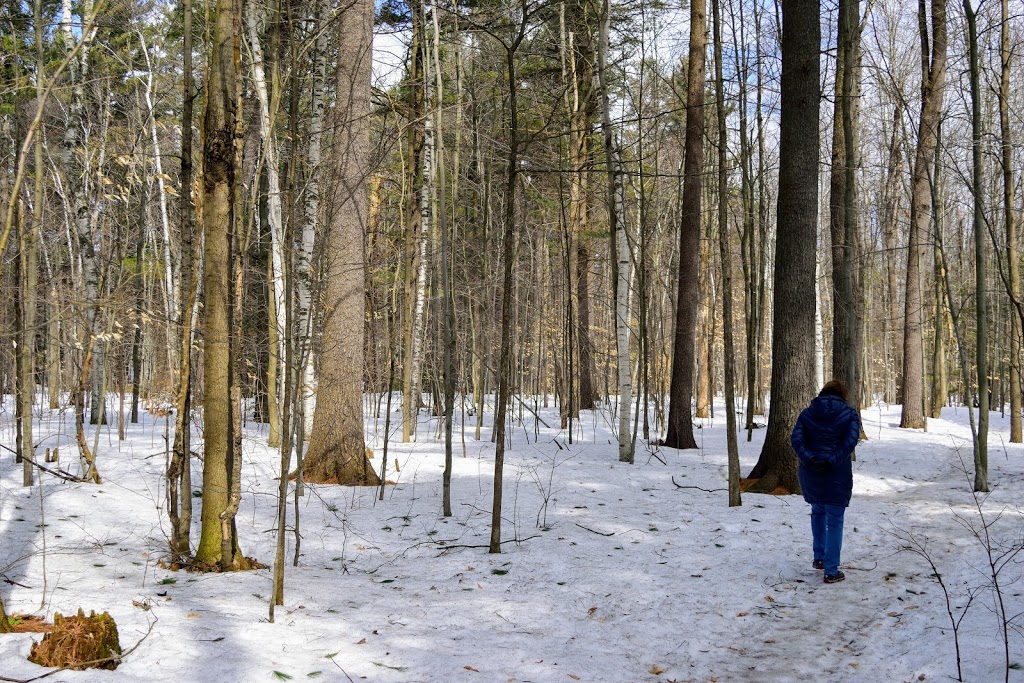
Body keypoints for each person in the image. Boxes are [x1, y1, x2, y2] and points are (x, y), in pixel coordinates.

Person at [790, 380, 860, 584]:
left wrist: (810, 458)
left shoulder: (807, 413)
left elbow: (797, 440)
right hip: (836, 473)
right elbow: (850, 442)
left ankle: (819, 558)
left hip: (812, 473)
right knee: (835, 520)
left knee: (818, 512)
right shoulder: (849, 414)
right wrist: (832, 460)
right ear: (842, 395)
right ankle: (831, 570)